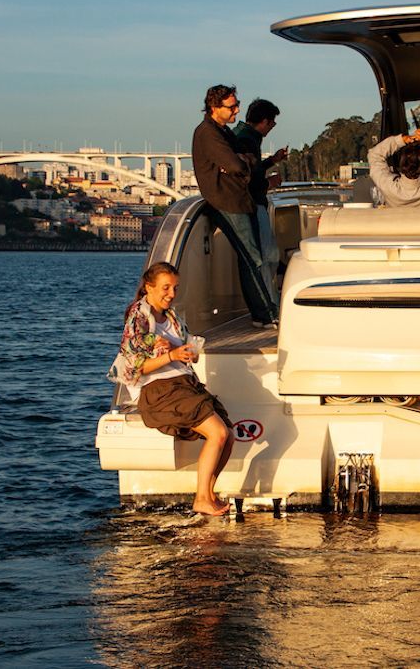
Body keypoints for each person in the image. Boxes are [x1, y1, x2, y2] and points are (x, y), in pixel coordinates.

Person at [112, 262, 234, 515]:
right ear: (149, 287)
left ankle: (209, 494)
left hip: (185, 385)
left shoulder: (172, 318)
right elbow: (136, 367)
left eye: (175, 288)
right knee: (218, 433)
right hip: (159, 391)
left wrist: (190, 354)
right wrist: (172, 355)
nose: (172, 294)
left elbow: (187, 351)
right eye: (166, 288)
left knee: (228, 436)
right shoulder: (138, 317)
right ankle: (201, 498)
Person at [191, 84, 280, 329]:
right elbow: (237, 165)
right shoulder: (208, 134)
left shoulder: (223, 132)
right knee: (253, 258)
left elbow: (240, 161)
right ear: (214, 107)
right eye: (232, 106)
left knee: (253, 257)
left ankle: (264, 312)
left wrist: (242, 161)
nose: (238, 110)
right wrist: (241, 162)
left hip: (239, 200)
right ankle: (264, 314)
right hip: (227, 202)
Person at [232, 98, 289, 297]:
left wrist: (272, 161)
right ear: (264, 121)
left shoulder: (243, 135)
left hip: (251, 202)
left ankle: (269, 299)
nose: (272, 127)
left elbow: (252, 169)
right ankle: (268, 302)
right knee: (267, 255)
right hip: (253, 203)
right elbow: (248, 177)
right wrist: (269, 184)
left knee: (267, 254)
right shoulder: (248, 140)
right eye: (272, 123)